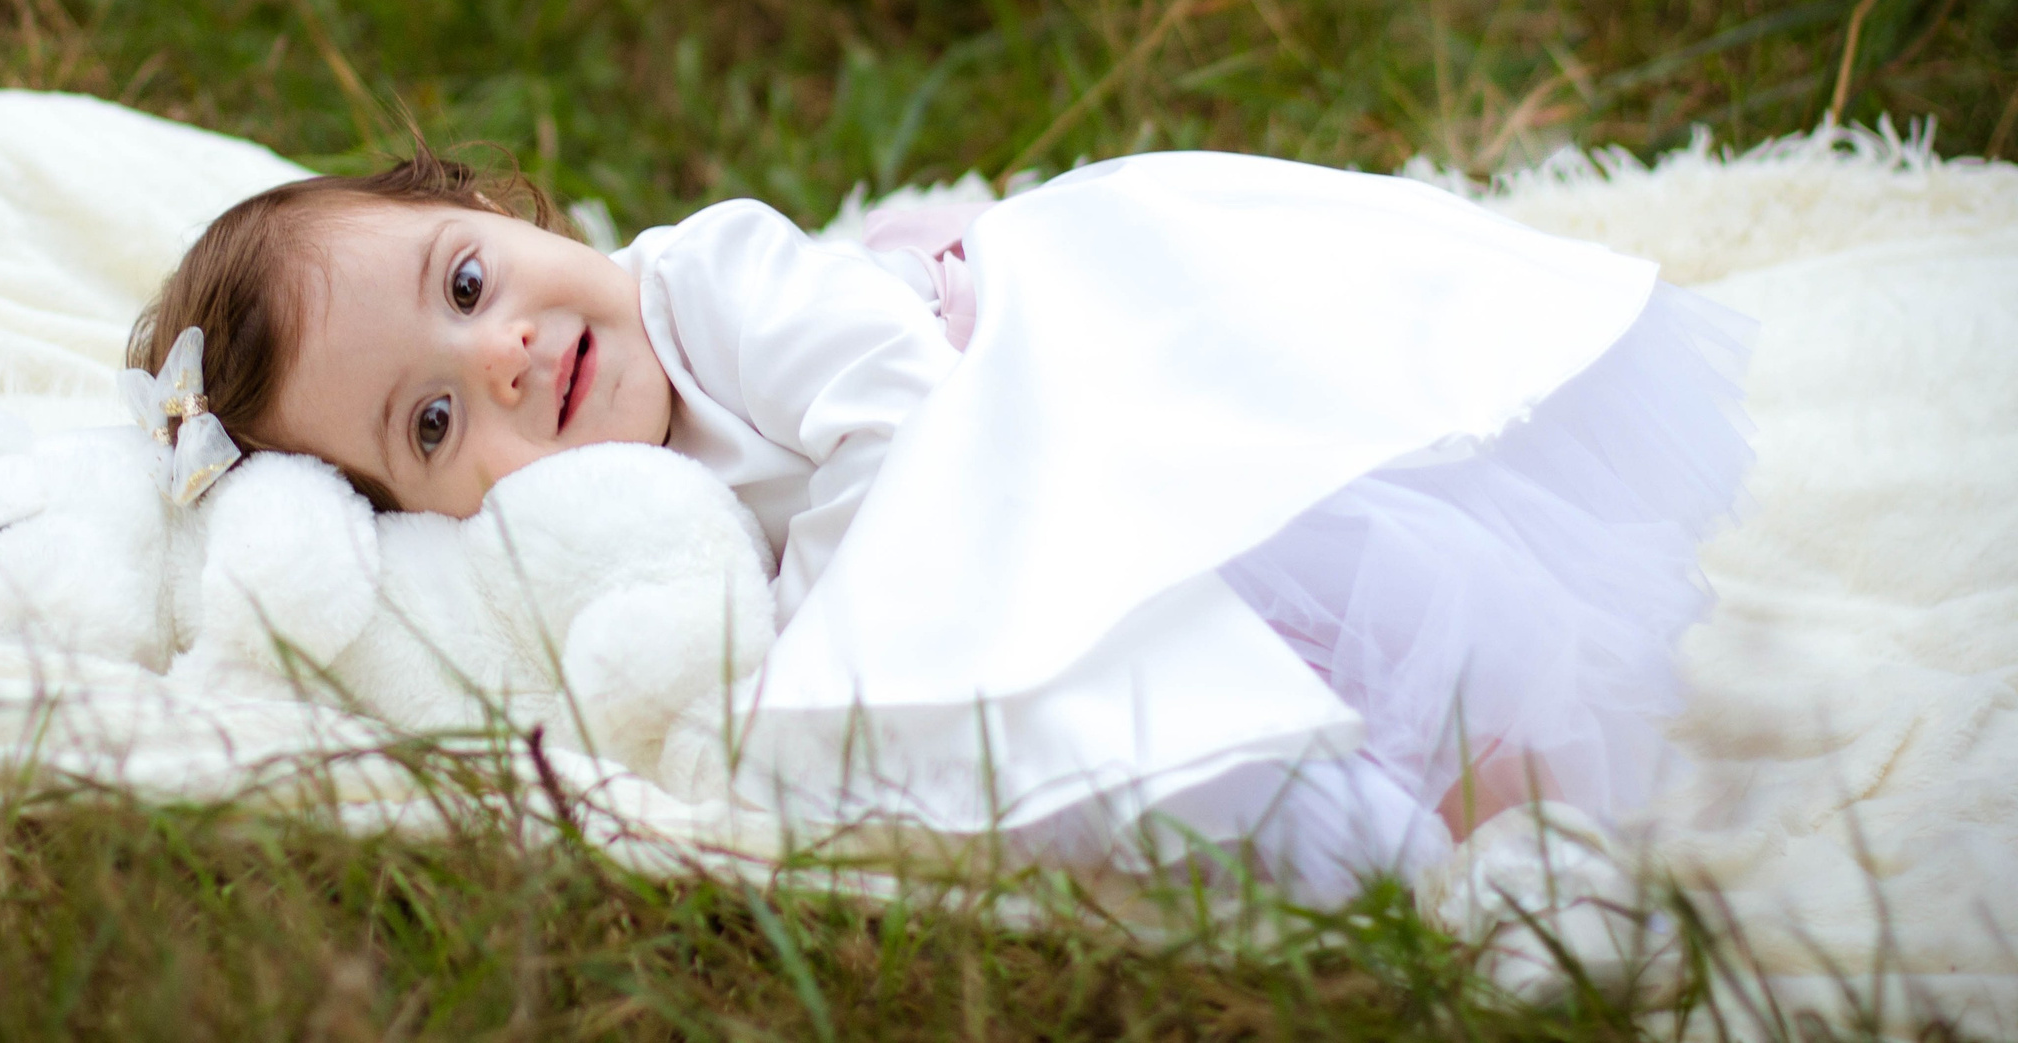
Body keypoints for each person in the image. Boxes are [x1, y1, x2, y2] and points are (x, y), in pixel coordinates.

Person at [130, 142, 1752, 900]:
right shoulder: (592, 520)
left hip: (1070, 409)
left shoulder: (708, 277)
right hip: (999, 548)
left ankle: (1504, 799)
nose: (500, 358)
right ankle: (1416, 850)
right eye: (430, 423)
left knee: (1308, 582)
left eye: (468, 285)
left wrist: (830, 656)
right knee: (1125, 718)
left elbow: (900, 419)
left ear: (489, 208)